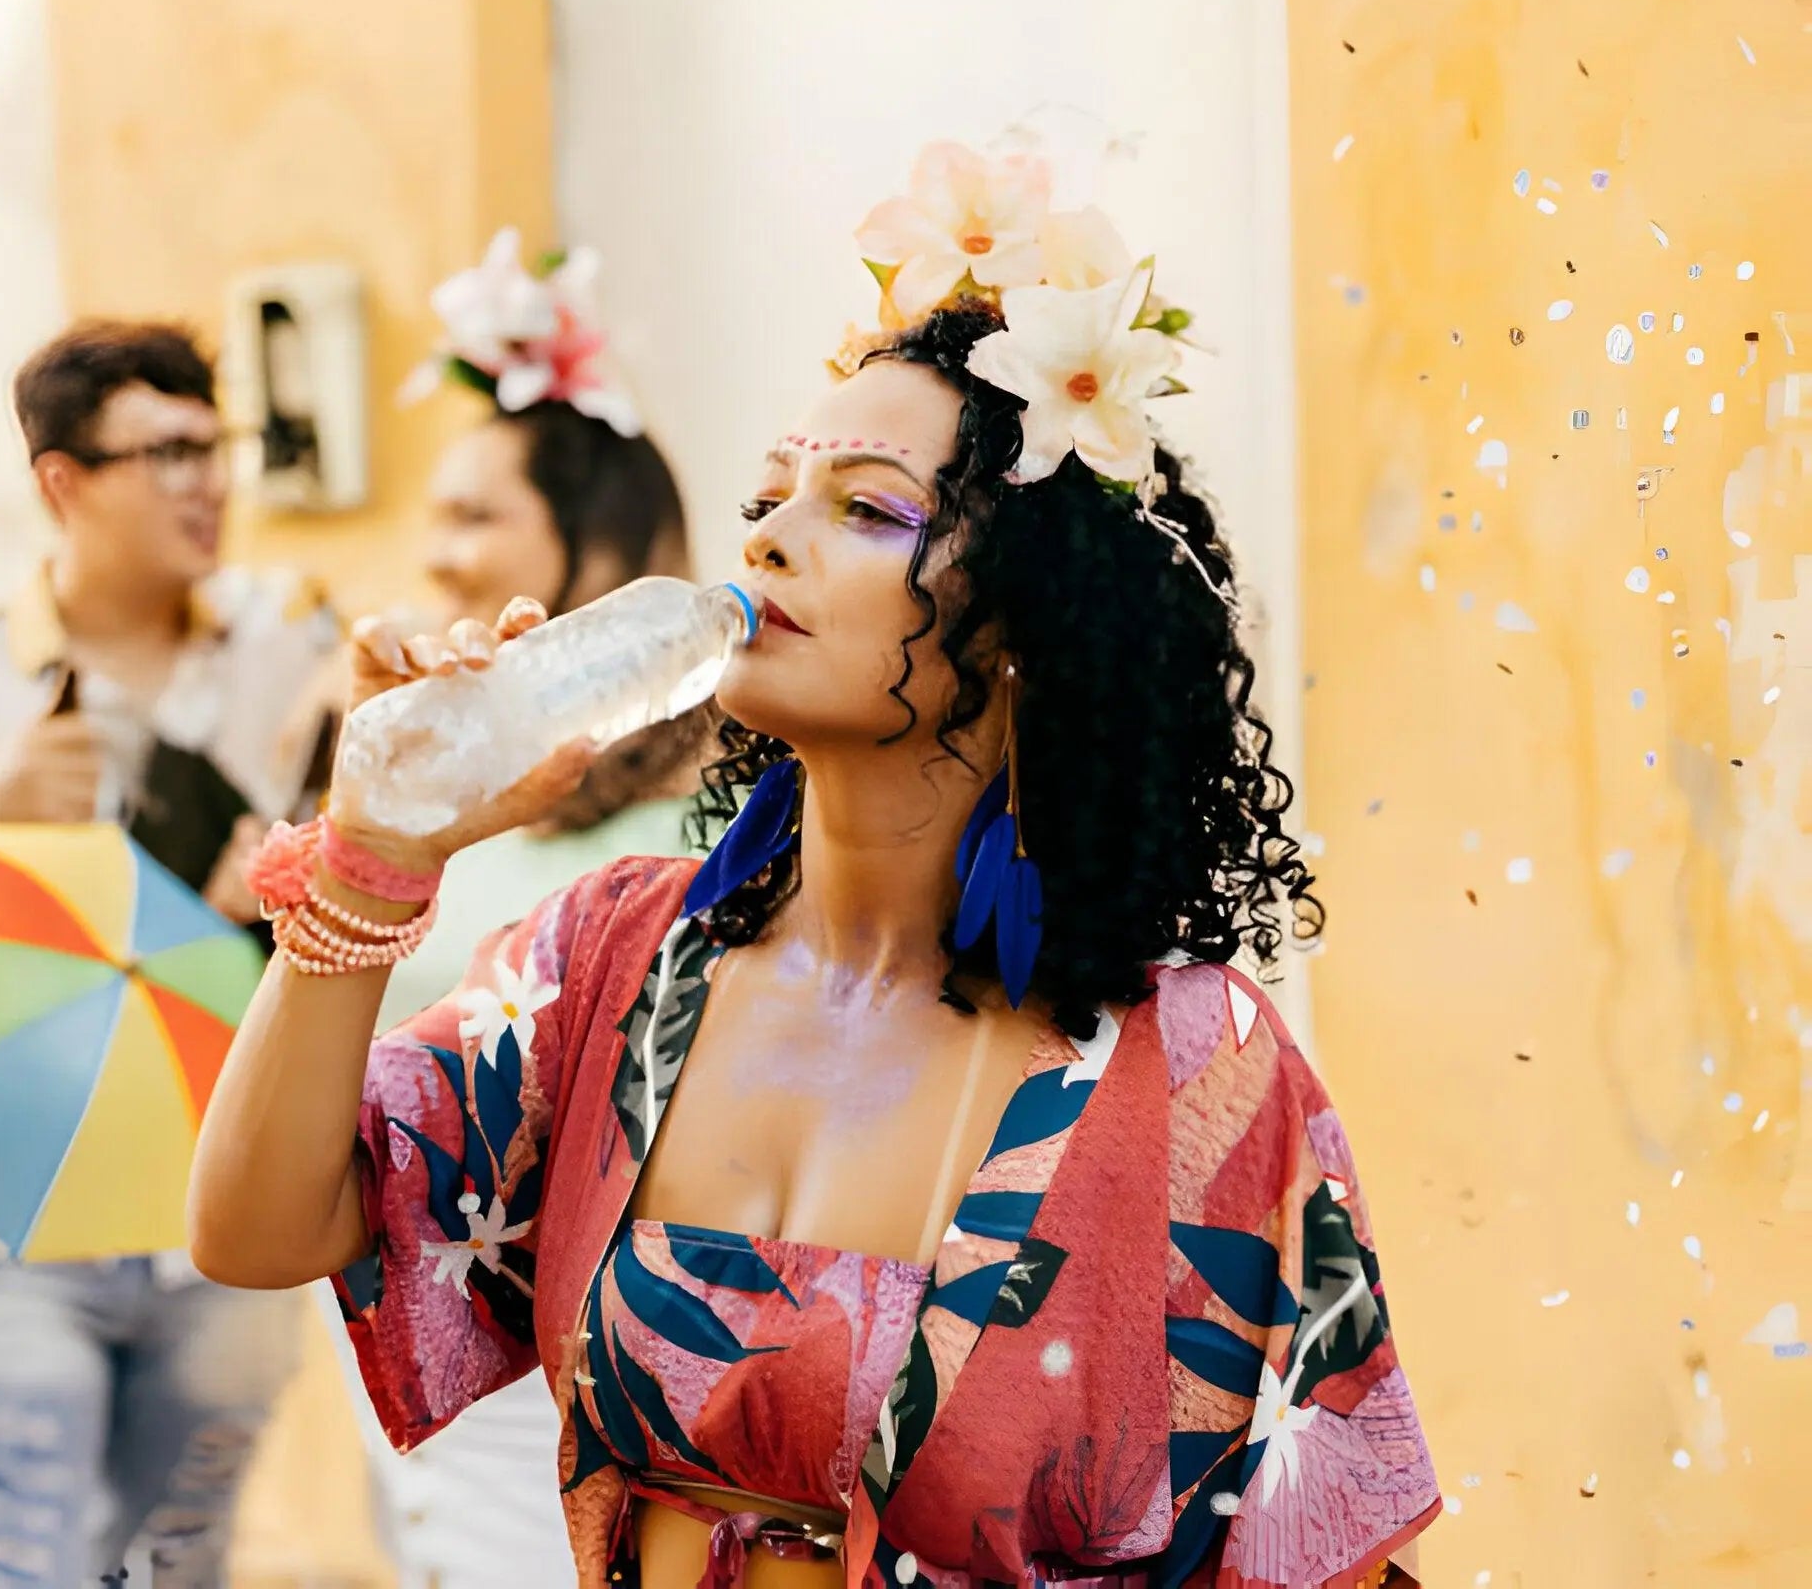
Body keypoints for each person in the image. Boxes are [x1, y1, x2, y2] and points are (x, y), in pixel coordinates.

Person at [188, 139, 1439, 1588]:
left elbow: (1319, 1551)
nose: (773, 540)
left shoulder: (1194, 1066)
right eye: (771, 498)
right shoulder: (613, 957)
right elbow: (261, 1227)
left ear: (1029, 626)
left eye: (866, 508)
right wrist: (374, 854)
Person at [0, 318, 335, 1587]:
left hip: (215, 1198)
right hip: (10, 1215)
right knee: (23, 1566)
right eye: (164, 450)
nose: (207, 480)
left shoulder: (295, 659)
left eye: (213, 443)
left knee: (182, 1561)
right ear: (62, 482)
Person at [332, 233, 709, 1586]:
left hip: (572, 1343)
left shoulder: (703, 824)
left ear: (591, 548)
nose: (437, 555)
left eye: (476, 517)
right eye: (437, 513)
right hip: (399, 1315)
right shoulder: (435, 777)